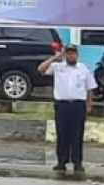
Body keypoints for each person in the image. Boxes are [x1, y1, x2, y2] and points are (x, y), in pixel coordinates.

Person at [39, 43, 94, 172]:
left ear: (77, 55)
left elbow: (90, 88)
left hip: (78, 105)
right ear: (65, 54)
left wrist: (89, 105)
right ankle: (61, 162)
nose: (70, 55)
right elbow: (41, 69)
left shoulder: (83, 68)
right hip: (62, 105)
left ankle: (77, 162)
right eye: (68, 53)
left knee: (77, 135)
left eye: (72, 53)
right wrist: (55, 57)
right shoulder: (58, 67)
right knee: (62, 134)